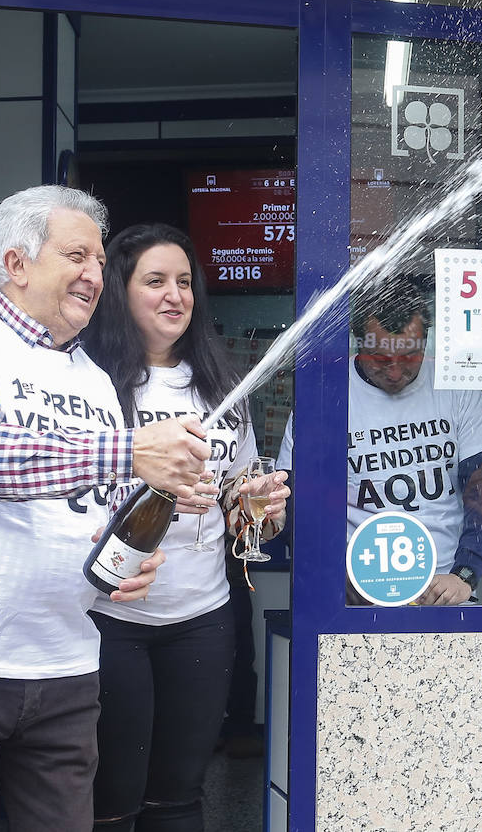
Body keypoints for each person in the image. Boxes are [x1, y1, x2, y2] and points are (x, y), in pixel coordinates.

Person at [0, 187, 212, 832]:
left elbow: (96, 511)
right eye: (77, 255)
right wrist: (131, 450)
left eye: (101, 262)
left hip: (66, 666)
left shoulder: (95, 381)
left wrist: (133, 553)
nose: (95, 275)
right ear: (18, 263)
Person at [83, 224, 290, 832]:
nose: (175, 295)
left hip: (203, 615)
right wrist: (159, 490)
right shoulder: (87, 381)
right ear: (120, 292)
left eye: (184, 282)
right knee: (113, 798)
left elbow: (239, 515)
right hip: (108, 615)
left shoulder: (224, 387)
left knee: (181, 794)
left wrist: (252, 506)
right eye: (155, 281)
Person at [278, 281, 482, 604]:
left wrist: (465, 576)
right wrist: (336, 577)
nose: (396, 371)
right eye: (381, 358)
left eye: (409, 356)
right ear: (358, 342)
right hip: (351, 596)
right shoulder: (323, 395)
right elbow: (294, 505)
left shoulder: (455, 386)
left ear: (426, 340)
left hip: (443, 593)